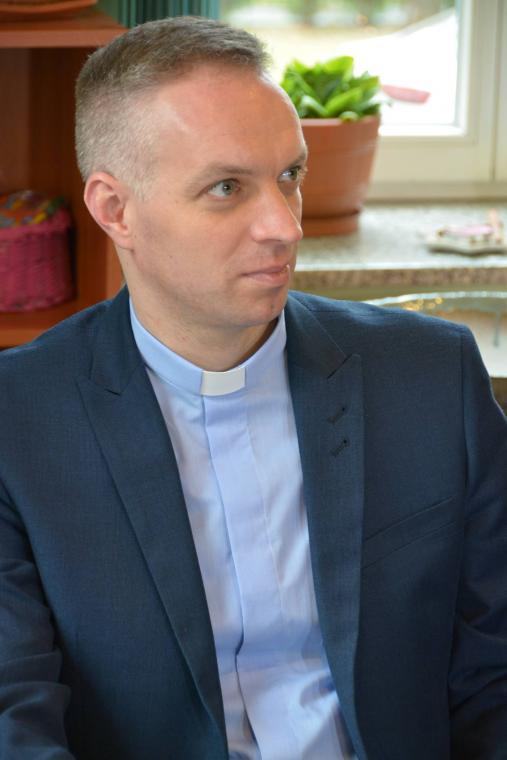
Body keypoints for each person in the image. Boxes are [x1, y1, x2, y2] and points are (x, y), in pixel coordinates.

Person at [0, 15, 506, 760]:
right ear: (115, 210)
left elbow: (495, 667)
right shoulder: (18, 419)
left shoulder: (431, 375)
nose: (284, 226)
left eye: (289, 175)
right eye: (226, 188)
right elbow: (13, 713)